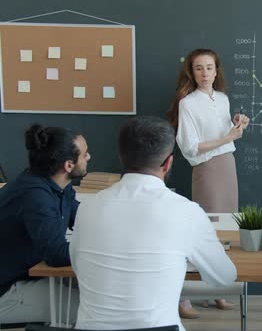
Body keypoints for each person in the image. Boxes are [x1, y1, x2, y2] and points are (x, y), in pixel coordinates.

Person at [70, 116, 236, 331]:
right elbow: (224, 277)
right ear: (168, 163)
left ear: (122, 157)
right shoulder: (187, 212)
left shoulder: (87, 209)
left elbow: (77, 265)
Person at [168, 48, 249, 315]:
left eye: (209, 67)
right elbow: (190, 147)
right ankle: (185, 297)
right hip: (207, 168)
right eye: (199, 68)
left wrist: (236, 126)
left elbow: (224, 135)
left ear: (217, 70)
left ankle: (216, 291)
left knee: (226, 230)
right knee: (204, 232)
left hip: (228, 165)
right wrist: (227, 138)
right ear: (191, 72)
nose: (205, 73)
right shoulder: (187, 103)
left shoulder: (223, 99)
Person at [0, 124, 90, 324]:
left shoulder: (57, 185)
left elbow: (82, 217)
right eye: (85, 154)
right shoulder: (35, 195)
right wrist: (99, 249)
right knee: (94, 311)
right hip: (7, 290)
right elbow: (56, 254)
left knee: (105, 292)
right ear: (68, 165)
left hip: (28, 278)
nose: (89, 157)